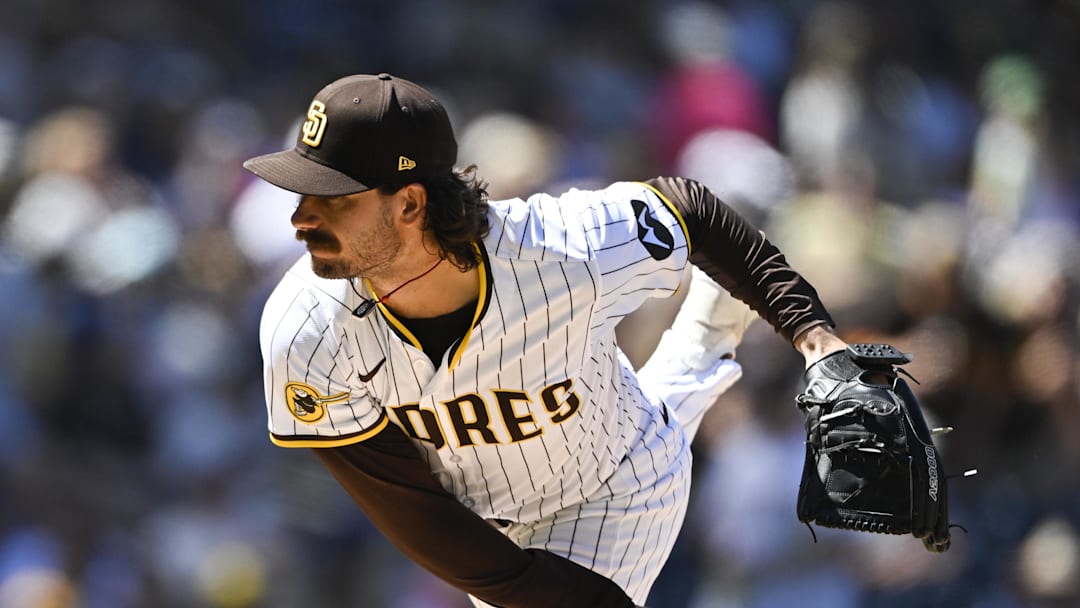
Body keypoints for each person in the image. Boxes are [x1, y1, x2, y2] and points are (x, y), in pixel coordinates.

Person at [243, 73, 846, 608]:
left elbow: (691, 211)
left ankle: (704, 337)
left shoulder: (556, 248)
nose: (300, 217)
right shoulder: (307, 329)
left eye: (332, 199)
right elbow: (414, 511)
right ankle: (702, 339)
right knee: (651, 408)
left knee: (649, 434)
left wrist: (815, 337)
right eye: (302, 192)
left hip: (616, 489)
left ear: (409, 202)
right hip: (495, 525)